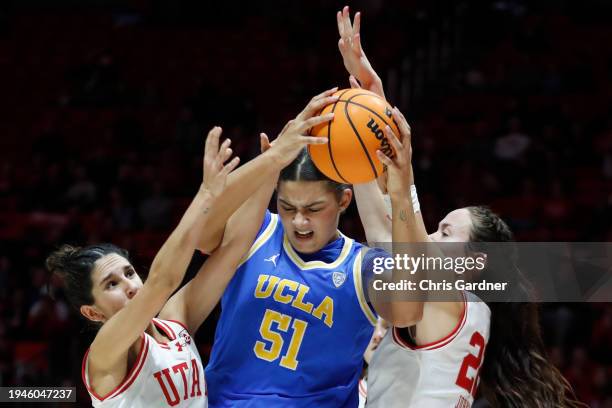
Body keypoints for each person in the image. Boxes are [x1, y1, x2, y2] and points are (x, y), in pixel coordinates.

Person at [336, 6, 585, 407]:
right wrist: (369, 107)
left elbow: (405, 239)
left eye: (446, 233)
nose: (432, 236)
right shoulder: (469, 308)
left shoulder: (451, 298)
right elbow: (386, 231)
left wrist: (402, 174)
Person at [45, 94, 332, 408]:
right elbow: (161, 282)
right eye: (111, 284)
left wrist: (274, 165)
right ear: (93, 312)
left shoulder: (174, 320)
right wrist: (206, 195)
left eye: (128, 273)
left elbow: (233, 249)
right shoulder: (105, 353)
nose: (129, 285)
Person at [203, 88, 413, 407]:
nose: (300, 222)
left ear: (344, 200)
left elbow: (409, 310)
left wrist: (400, 196)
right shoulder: (258, 231)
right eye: (288, 207)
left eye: (313, 209)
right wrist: (268, 164)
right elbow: (203, 236)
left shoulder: (363, 266)